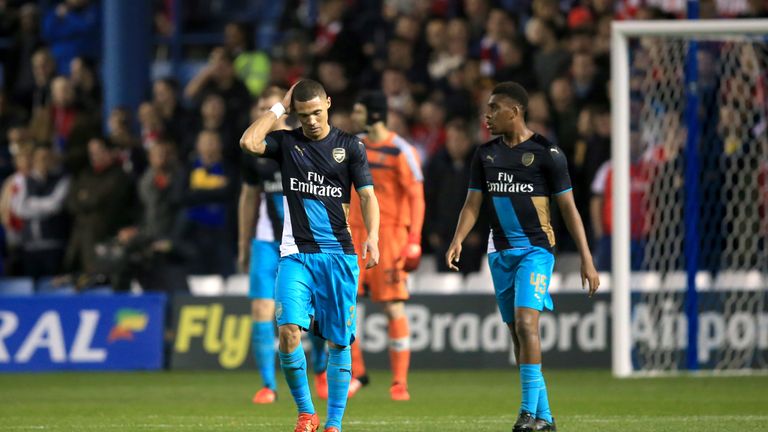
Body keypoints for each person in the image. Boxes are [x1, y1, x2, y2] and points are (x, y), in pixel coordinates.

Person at [445, 82, 599, 432]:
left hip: (536, 251)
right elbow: (473, 203)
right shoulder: (484, 154)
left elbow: (570, 209)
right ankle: (545, 418)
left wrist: (587, 259)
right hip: (499, 252)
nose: (486, 116)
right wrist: (458, 238)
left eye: (493, 109)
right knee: (517, 333)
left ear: (514, 111)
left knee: (528, 324)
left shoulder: (548, 154)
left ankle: (527, 414)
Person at [240, 79, 380, 432]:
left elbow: (366, 196)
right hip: (296, 254)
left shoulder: (350, 146)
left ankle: (334, 422)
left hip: (338, 256)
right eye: (304, 115)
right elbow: (249, 142)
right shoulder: (288, 143)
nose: (312, 121)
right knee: (287, 330)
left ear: (329, 104)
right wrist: (279, 109)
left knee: (337, 340)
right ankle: (306, 413)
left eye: (317, 112)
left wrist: (374, 236)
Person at [238, 87, 329, 405]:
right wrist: (243, 241)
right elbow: (249, 197)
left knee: (315, 315)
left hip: (305, 242)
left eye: (273, 106)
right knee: (261, 310)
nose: (267, 112)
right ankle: (268, 385)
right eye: (263, 107)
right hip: (266, 240)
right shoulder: (255, 153)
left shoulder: (303, 144)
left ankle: (320, 371)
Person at [347, 91, 425, 401]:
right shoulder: (353, 145)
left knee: (393, 307)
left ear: (374, 115)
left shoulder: (402, 150)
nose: (353, 116)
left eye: (358, 110)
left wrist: (414, 239)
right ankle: (357, 373)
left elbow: (416, 196)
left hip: (390, 236)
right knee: (344, 307)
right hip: (353, 233)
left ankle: (399, 382)